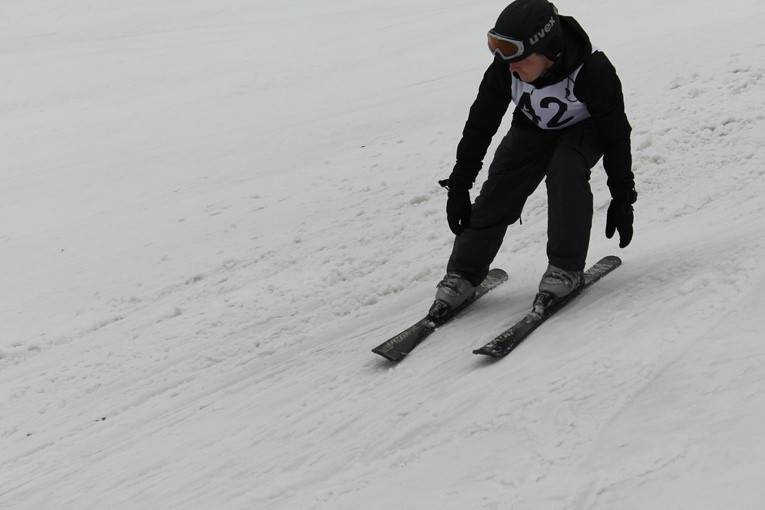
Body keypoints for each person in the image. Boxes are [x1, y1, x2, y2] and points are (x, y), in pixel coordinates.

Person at [430, 0, 637, 317]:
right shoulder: (506, 68)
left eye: (520, 58)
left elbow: (616, 134)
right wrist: (460, 182)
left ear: (550, 50)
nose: (510, 65)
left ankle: (564, 269)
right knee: (499, 187)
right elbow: (481, 123)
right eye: (500, 53)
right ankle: (464, 273)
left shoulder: (594, 70)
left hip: (584, 131)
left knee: (566, 169)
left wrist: (622, 195)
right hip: (532, 128)